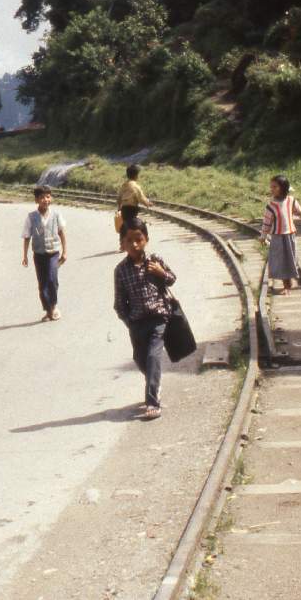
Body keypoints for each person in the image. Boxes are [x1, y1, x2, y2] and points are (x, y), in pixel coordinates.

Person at [113, 218, 175, 420]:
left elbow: (172, 279)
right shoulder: (120, 270)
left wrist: (161, 273)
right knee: (140, 360)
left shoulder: (154, 259)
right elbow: (119, 302)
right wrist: (128, 321)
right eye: (129, 240)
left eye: (138, 239)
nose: (134, 244)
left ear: (146, 239)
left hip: (159, 318)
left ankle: (152, 402)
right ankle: (153, 379)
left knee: (153, 357)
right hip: (137, 322)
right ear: (122, 244)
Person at [22, 185, 68, 321]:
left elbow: (61, 233)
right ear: (36, 200)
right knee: (42, 283)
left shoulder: (56, 215)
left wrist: (65, 251)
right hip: (39, 254)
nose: (45, 200)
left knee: (52, 280)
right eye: (42, 197)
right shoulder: (31, 217)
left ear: (51, 198)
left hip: (53, 253)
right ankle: (48, 310)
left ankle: (54, 307)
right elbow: (26, 237)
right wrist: (25, 256)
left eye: (48, 197)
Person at [261, 175, 301, 292]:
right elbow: (266, 223)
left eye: (275, 187)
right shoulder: (271, 206)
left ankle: (289, 282)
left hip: (290, 235)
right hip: (277, 237)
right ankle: (286, 285)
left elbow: (299, 212)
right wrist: (263, 236)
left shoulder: (291, 201)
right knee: (280, 259)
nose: (272, 189)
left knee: (291, 258)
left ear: (283, 188)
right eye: (271, 187)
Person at [115, 164, 152, 236]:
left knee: (126, 225)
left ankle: (125, 239)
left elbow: (119, 197)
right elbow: (141, 198)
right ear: (136, 175)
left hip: (124, 209)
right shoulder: (135, 186)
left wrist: (119, 208)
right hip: (132, 209)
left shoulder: (124, 185)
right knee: (134, 225)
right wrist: (147, 203)